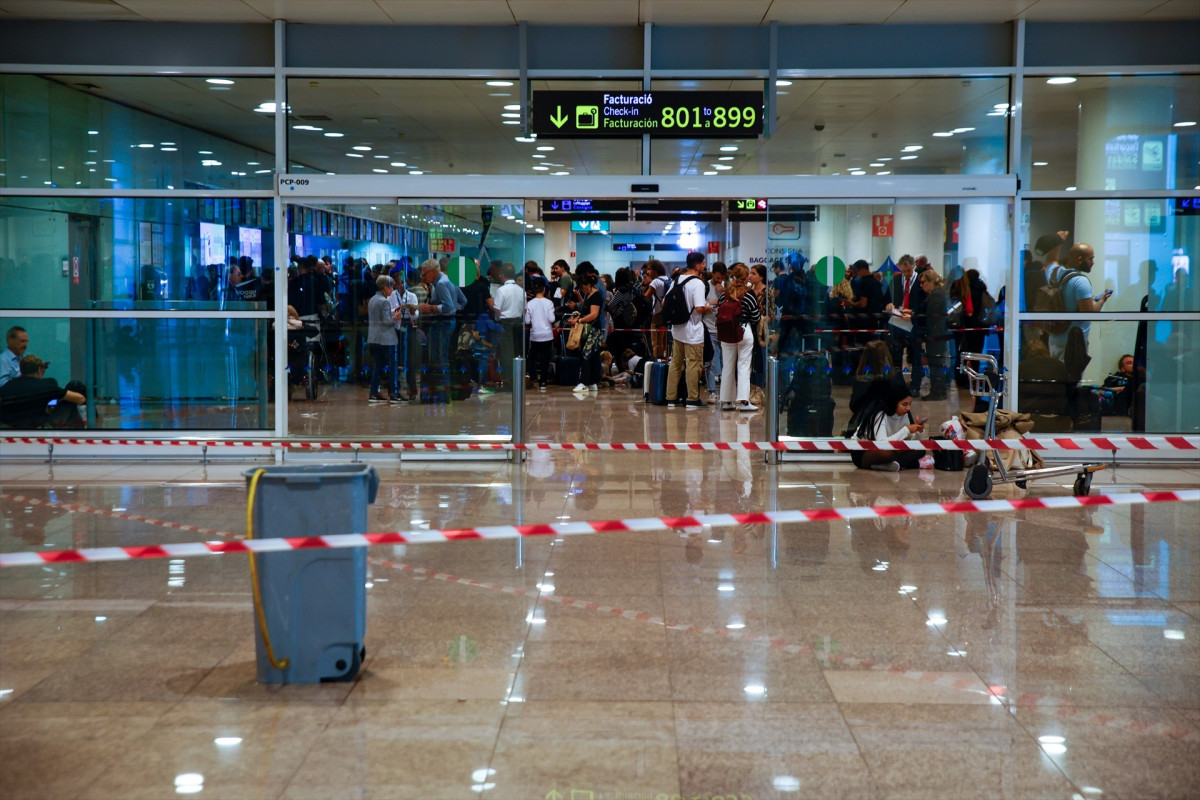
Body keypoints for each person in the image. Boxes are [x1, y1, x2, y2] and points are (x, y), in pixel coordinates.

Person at [1046, 243, 1108, 364]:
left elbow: (1051, 260)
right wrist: (1102, 300)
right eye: (1091, 258)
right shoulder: (1081, 281)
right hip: (1073, 344)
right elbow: (1089, 314)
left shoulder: (1055, 273)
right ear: (1079, 259)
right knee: (1072, 381)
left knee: (1056, 378)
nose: (1093, 262)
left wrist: (1059, 241)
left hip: (1054, 339)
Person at [665, 252, 712, 408]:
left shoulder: (677, 280)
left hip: (677, 330)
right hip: (692, 331)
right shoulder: (697, 283)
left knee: (676, 364)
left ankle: (671, 397)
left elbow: (666, 301)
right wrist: (709, 306)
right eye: (704, 263)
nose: (705, 266)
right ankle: (692, 398)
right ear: (698, 266)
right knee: (694, 364)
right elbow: (699, 308)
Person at [849, 380, 925, 472]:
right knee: (886, 454)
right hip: (865, 451)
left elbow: (908, 441)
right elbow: (882, 444)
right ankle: (906, 463)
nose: (908, 408)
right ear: (894, 402)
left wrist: (918, 432)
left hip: (892, 448)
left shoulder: (904, 414)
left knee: (920, 450)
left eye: (909, 404)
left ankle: (887, 465)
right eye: (904, 404)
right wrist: (906, 430)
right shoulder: (879, 414)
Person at [717, 263, 762, 412]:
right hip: (744, 330)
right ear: (745, 276)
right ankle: (743, 402)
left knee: (728, 366)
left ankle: (726, 401)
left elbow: (719, 311)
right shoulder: (748, 294)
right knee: (743, 366)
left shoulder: (725, 294)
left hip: (726, 332)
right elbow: (755, 317)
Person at [417, 258, 462, 403]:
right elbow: (463, 301)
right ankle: (443, 393)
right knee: (442, 357)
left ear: (433, 272)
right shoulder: (450, 280)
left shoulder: (441, 284)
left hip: (442, 323)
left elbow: (448, 307)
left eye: (425, 274)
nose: (424, 278)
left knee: (439, 359)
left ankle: (442, 394)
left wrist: (430, 308)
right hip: (450, 322)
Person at [0, 355, 85, 429]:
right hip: (38, 428)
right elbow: (80, 399)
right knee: (69, 402)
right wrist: (59, 399)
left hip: (9, 428)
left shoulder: (7, 386)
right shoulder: (45, 386)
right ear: (40, 369)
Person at [885, 254, 925, 396]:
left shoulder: (921, 281)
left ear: (914, 267)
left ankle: (915, 386)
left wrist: (913, 312)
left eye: (909, 271)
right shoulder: (895, 280)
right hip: (897, 323)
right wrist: (889, 304)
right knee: (896, 356)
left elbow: (924, 303)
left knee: (915, 357)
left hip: (914, 325)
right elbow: (887, 298)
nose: (906, 274)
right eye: (904, 271)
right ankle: (899, 385)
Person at [366, 275, 401, 404]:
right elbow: (387, 321)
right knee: (392, 366)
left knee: (378, 367)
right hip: (387, 340)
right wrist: (396, 317)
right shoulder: (385, 301)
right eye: (391, 287)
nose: (392, 290)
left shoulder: (372, 300)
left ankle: (374, 393)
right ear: (385, 287)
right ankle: (394, 393)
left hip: (374, 338)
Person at [916, 268, 950, 400]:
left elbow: (931, 318)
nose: (922, 285)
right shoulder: (937, 294)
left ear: (931, 282)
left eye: (924, 282)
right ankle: (938, 391)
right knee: (935, 363)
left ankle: (938, 392)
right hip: (937, 335)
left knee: (935, 364)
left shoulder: (935, 295)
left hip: (935, 336)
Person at [567, 270, 603, 392]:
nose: (582, 290)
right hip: (591, 329)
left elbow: (594, 314)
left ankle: (584, 382)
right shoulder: (589, 295)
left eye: (583, 287)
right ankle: (593, 382)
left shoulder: (596, 296)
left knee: (586, 355)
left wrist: (579, 321)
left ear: (588, 285)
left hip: (593, 330)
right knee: (593, 356)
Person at [387, 271, 419, 402]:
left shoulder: (411, 295)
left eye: (402, 282)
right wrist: (397, 310)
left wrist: (412, 311)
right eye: (398, 283)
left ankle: (412, 390)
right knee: (397, 360)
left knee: (410, 360)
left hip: (409, 327)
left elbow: (416, 315)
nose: (401, 285)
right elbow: (389, 313)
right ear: (394, 284)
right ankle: (396, 390)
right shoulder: (390, 297)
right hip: (396, 328)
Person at [493, 262, 525, 391]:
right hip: (518, 324)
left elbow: (496, 309)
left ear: (502, 275)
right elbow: (525, 310)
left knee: (506, 355)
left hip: (505, 324)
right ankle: (518, 382)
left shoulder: (501, 290)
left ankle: (508, 382)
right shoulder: (521, 290)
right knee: (517, 353)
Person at [524, 278, 555, 389]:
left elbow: (527, 321)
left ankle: (533, 377)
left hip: (535, 335)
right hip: (547, 335)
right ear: (544, 289)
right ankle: (543, 382)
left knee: (531, 357)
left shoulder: (530, 304)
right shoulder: (549, 303)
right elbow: (552, 319)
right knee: (545, 359)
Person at [703, 262, 726, 395]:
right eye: (717, 277)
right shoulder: (705, 286)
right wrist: (712, 305)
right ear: (713, 273)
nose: (719, 280)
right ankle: (712, 390)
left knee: (725, 361)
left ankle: (725, 391)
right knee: (710, 361)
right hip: (709, 327)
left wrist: (723, 293)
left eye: (722, 278)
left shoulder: (725, 288)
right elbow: (701, 307)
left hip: (723, 328)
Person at [641, 260, 670, 358]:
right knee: (664, 340)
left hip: (657, 314)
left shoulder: (655, 282)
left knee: (656, 342)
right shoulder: (667, 279)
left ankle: (657, 361)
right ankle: (665, 360)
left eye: (649, 269)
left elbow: (646, 296)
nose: (648, 272)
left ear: (655, 270)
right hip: (666, 313)